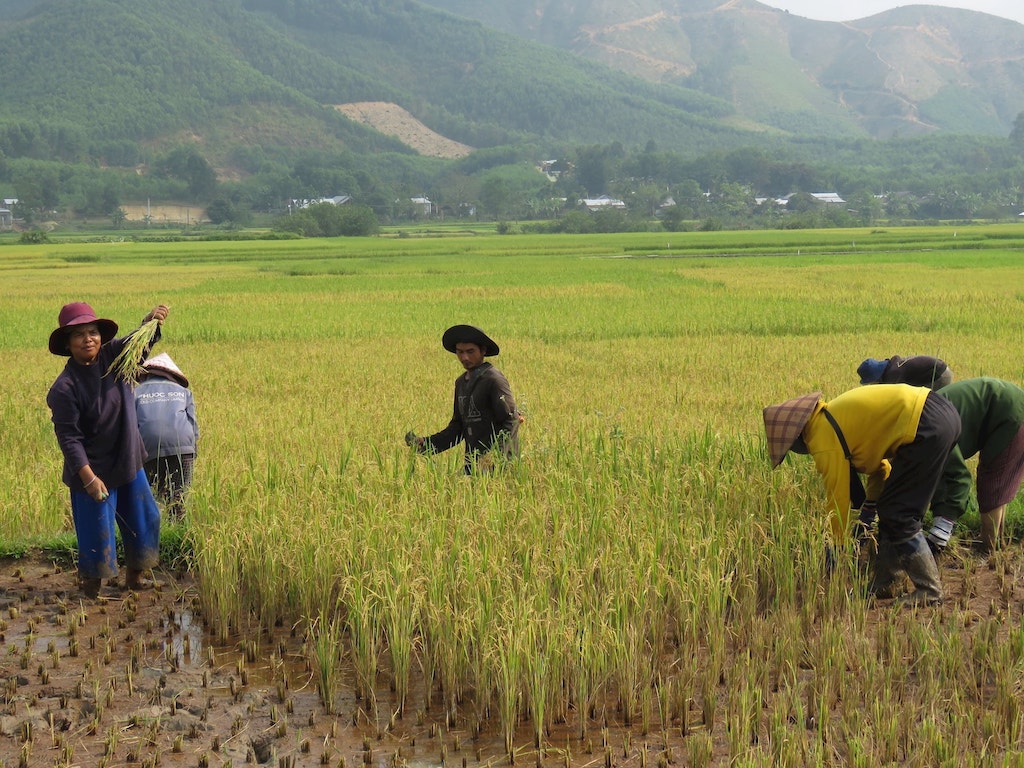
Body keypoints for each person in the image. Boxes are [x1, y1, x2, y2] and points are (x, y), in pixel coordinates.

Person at [763, 383, 960, 606]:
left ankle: (930, 590)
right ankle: (886, 582)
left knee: (900, 514)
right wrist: (870, 509)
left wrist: (835, 547)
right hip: (938, 412)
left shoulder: (821, 435)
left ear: (796, 438)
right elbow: (881, 468)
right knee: (891, 508)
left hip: (924, 422)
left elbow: (837, 498)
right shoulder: (835, 417)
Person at [46, 301, 169, 598]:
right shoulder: (64, 388)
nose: (88, 339)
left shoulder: (114, 358)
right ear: (68, 343)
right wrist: (88, 478)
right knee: (95, 532)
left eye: (93, 332)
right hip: (93, 472)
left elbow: (137, 344)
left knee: (144, 520)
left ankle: (135, 578)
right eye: (79, 335)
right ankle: (91, 589)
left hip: (128, 461)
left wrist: (150, 322)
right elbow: (69, 438)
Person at [925, 377, 1024, 555]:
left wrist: (944, 521)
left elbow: (956, 476)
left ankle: (988, 549)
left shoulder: (927, 435)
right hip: (1007, 405)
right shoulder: (917, 425)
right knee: (998, 485)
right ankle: (996, 542)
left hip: (1010, 414)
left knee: (993, 485)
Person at [406, 324, 521, 473]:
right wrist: (427, 444)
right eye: (460, 352)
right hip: (473, 462)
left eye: (470, 351)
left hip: (498, 464)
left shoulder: (493, 379)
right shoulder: (461, 383)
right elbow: (458, 428)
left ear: (483, 351)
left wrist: (496, 456)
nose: (464, 357)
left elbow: (511, 419)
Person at [134, 352, 199, 518]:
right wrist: (193, 451)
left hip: (148, 448)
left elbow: (131, 426)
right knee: (178, 495)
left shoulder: (136, 393)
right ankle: (177, 529)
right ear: (172, 375)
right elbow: (193, 425)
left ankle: (153, 533)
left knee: (150, 495)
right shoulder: (184, 392)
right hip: (183, 447)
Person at [857, 355, 953, 390]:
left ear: (876, 378)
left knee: (929, 405)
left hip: (939, 375)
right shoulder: (892, 365)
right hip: (941, 369)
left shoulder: (893, 375)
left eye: (871, 382)